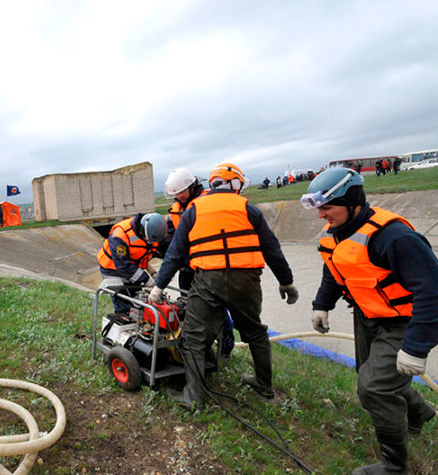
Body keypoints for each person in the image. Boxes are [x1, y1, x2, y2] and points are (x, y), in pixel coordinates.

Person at [300, 168, 436, 474]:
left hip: (404, 321)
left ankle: (394, 466)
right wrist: (322, 305)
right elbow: (336, 269)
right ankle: (420, 412)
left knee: (374, 387)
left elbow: (432, 290)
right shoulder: (338, 232)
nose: (321, 215)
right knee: (371, 375)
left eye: (326, 208)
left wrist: (416, 346)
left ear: (353, 203)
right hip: (369, 317)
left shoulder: (393, 237)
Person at [149, 163, 298, 410]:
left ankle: (194, 397)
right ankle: (264, 387)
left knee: (193, 339)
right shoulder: (249, 209)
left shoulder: (192, 211)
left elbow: (175, 253)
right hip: (247, 281)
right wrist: (287, 282)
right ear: (236, 185)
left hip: (208, 281)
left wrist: (159, 286)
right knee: (255, 333)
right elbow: (272, 250)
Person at [160, 168, 235, 359]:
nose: (179, 196)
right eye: (175, 194)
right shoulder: (176, 210)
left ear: (192, 186)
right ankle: (197, 346)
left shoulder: (208, 201)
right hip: (187, 268)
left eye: (181, 192)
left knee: (217, 308)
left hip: (209, 267)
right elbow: (172, 240)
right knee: (189, 305)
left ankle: (225, 348)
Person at [98, 213, 167, 316]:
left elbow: (144, 255)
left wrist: (153, 273)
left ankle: (140, 323)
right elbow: (123, 266)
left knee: (138, 301)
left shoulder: (153, 233)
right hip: (112, 268)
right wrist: (147, 280)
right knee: (123, 301)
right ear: (141, 231)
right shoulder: (120, 235)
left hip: (131, 266)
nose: (150, 242)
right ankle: (121, 317)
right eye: (148, 240)